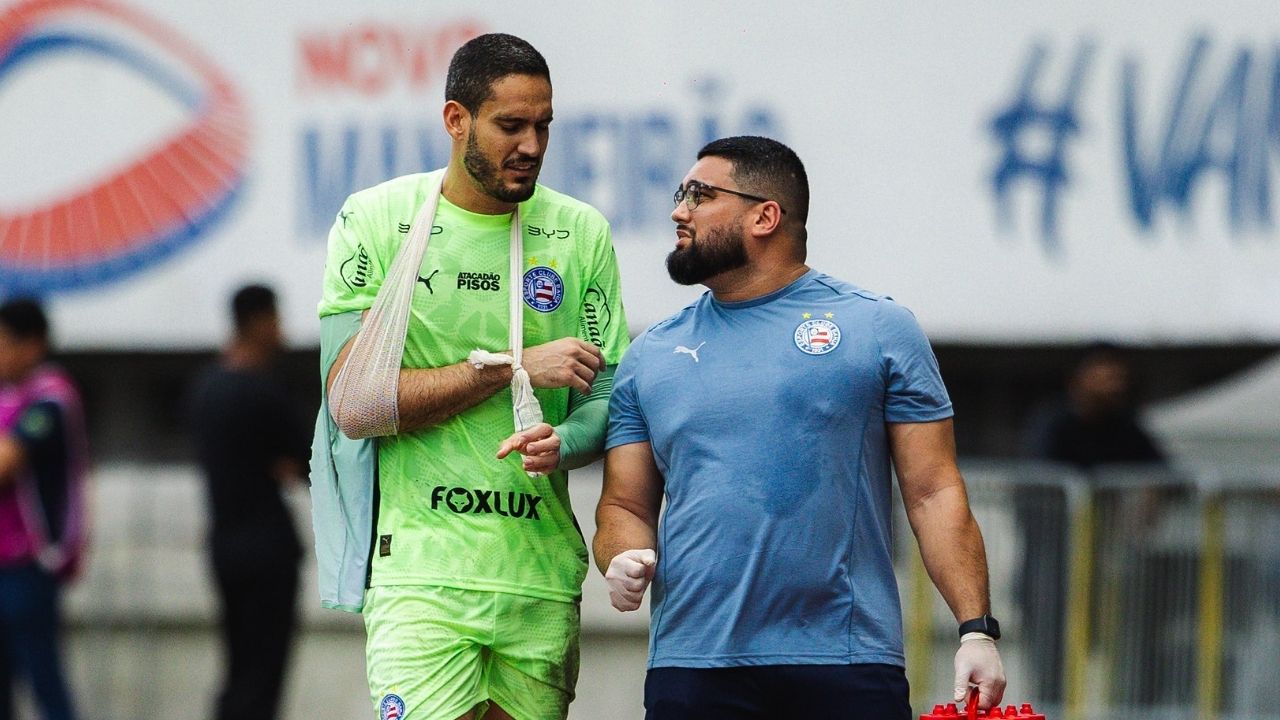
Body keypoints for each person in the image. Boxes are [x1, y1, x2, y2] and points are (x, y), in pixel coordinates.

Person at [595, 136, 1006, 719]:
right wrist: (620, 557)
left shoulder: (878, 328)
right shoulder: (650, 354)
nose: (678, 210)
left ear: (766, 215)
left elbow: (933, 490)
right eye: (681, 193)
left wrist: (976, 631)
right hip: (693, 664)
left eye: (700, 195)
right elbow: (624, 506)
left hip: (845, 661)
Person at [310, 33, 630, 720]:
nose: (533, 145)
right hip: (420, 579)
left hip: (537, 577)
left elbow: (611, 403)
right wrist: (512, 370)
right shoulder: (376, 220)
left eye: (543, 125)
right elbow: (353, 404)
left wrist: (567, 442)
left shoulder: (581, 233)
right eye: (510, 126)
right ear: (457, 120)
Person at [1017, 343, 1165, 704]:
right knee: (1051, 651)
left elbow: (1164, 471)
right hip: (1051, 559)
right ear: (1078, 380)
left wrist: (1149, 493)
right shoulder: (1052, 423)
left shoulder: (1124, 424)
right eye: (1102, 377)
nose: (1111, 386)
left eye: (1118, 379)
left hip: (1105, 562)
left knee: (1119, 648)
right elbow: (1041, 482)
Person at [188, 284, 311, 720]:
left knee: (238, 668)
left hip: (224, 547)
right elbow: (307, 464)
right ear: (258, 321)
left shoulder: (206, 389)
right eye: (275, 320)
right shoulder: (265, 394)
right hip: (268, 552)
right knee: (263, 676)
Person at [0, 297, 88, 720]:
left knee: (43, 680)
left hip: (30, 562)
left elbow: (7, 462)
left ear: (32, 345)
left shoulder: (51, 399)